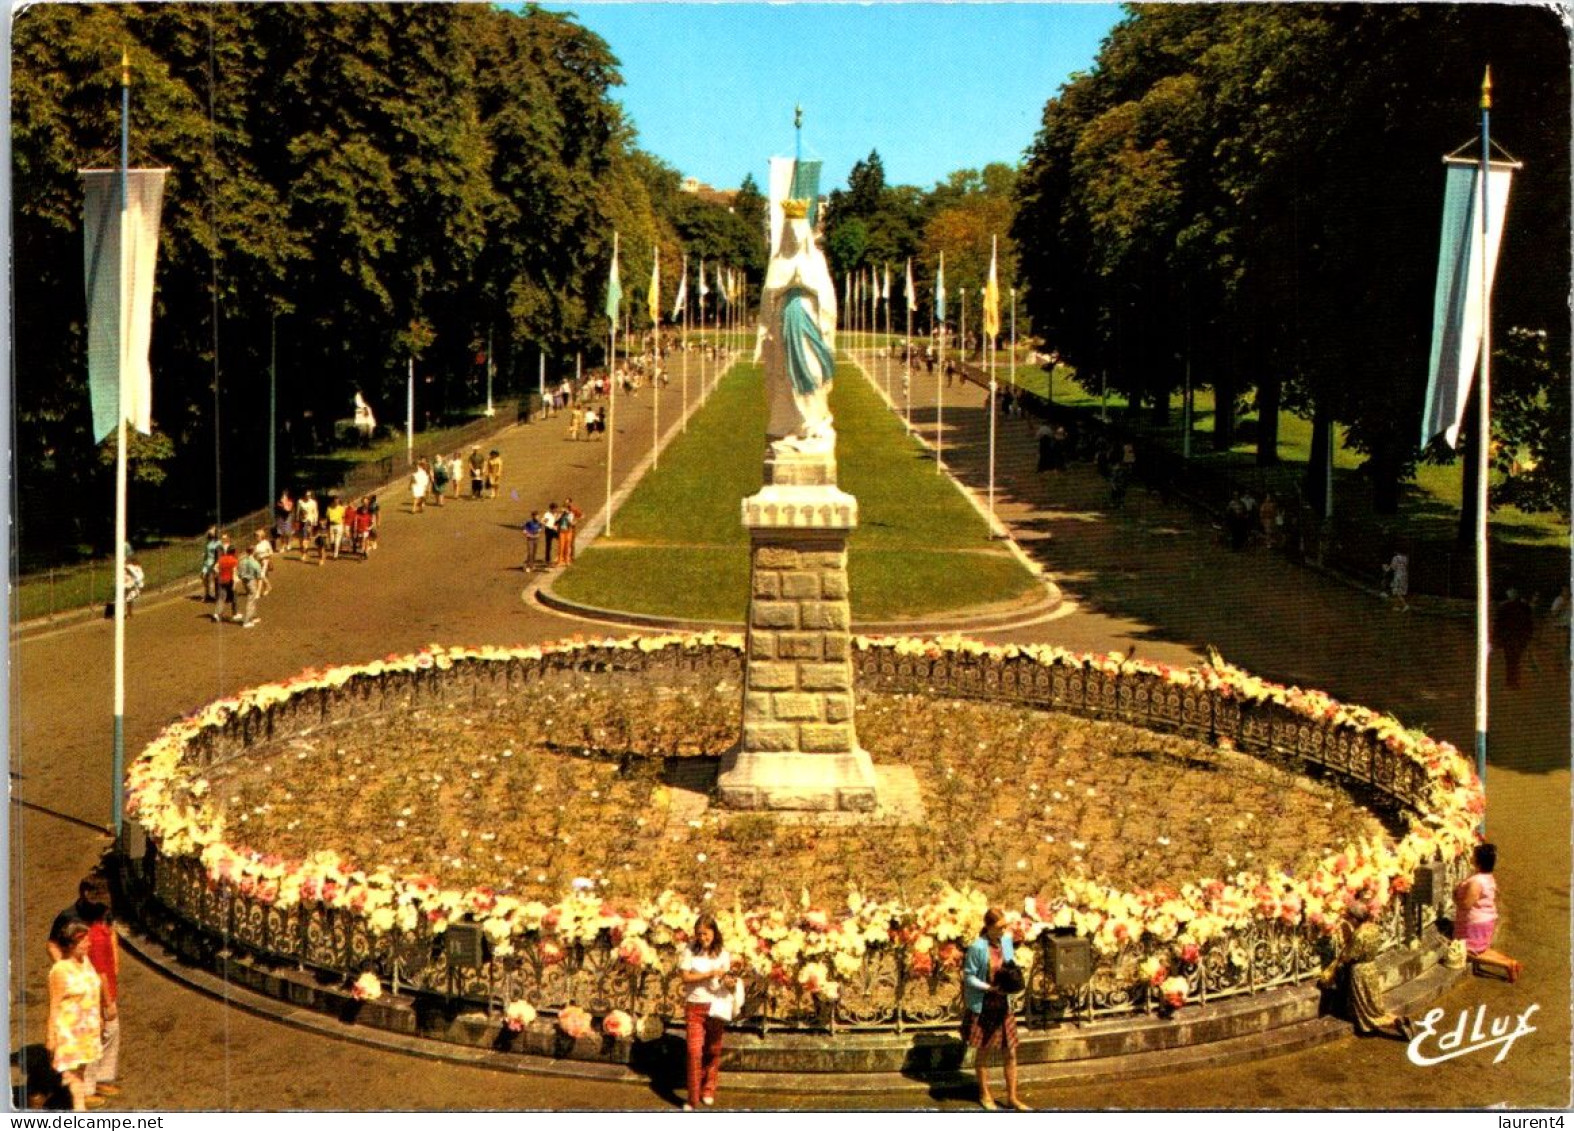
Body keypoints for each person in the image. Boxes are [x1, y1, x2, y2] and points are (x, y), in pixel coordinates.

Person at [754, 196, 838, 456]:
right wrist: (787, 284)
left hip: (810, 322)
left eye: (797, 232)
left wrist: (804, 283)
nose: (793, 237)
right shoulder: (778, 262)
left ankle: (813, 424)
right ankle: (792, 427)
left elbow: (827, 296)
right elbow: (768, 297)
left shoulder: (816, 261)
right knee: (787, 378)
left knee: (812, 374)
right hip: (785, 326)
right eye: (789, 232)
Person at [49, 876, 121, 1104]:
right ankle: (87, 1089)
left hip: (101, 979)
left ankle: (102, 1077)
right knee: (91, 1035)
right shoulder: (69, 917)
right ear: (84, 894)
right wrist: (68, 967)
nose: (101, 904)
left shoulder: (103, 911)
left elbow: (112, 934)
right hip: (85, 984)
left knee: (112, 1029)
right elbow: (52, 944)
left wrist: (116, 963)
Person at [961, 908, 1030, 1110]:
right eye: (999, 927)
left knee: (1010, 1052)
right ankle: (985, 1094)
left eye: (1004, 926)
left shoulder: (1006, 942)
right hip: (984, 1005)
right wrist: (988, 987)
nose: (1003, 931)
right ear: (989, 927)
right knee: (983, 1052)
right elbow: (969, 976)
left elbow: (1009, 964)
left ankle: (1012, 1097)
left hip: (1003, 1004)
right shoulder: (977, 947)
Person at [679, 913, 737, 1110]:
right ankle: (692, 1098)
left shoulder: (723, 954)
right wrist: (708, 974)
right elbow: (685, 977)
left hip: (715, 1006)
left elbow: (726, 981)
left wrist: (729, 982)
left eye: (706, 934)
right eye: (698, 934)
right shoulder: (689, 950)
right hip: (694, 1006)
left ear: (714, 932)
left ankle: (709, 1088)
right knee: (694, 1051)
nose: (702, 938)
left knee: (713, 1049)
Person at [46, 920, 102, 1111]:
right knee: (73, 1075)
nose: (89, 944)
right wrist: (50, 1037)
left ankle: (77, 1107)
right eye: (84, 941)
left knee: (80, 1071)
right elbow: (53, 1006)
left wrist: (99, 1016)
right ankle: (80, 1110)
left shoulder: (85, 961)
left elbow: (94, 988)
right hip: (69, 1032)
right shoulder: (60, 971)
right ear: (71, 945)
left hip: (87, 1029)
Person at [1453, 842, 1521, 980]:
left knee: (1468, 952)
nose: (1470, 857)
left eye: (1473, 856)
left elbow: (1466, 904)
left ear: (1478, 861)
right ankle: (1510, 962)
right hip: (1486, 920)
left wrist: (1455, 897)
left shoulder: (1476, 882)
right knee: (1481, 949)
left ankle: (1506, 964)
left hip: (1475, 923)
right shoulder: (1489, 878)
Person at [1494, 589, 1534, 689]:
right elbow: (1529, 623)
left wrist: (1497, 638)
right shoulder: (1525, 607)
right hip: (1519, 637)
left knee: (1510, 660)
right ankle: (1514, 681)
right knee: (1516, 659)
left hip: (1509, 637)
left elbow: (1498, 624)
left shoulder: (1504, 607)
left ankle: (1511, 681)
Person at [236, 546, 265, 627]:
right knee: (251, 600)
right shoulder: (255, 563)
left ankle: (253, 617)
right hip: (251, 581)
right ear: (253, 552)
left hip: (244, 581)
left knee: (251, 598)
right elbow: (259, 576)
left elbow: (239, 573)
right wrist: (259, 590)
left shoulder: (242, 561)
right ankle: (247, 620)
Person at [213, 538, 239, 623]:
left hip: (221, 580)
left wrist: (218, 574)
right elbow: (234, 573)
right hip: (230, 580)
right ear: (234, 552)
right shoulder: (234, 560)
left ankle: (217, 614)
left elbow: (215, 568)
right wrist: (235, 584)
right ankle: (235, 613)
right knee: (234, 597)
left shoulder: (221, 559)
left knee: (221, 598)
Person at [558, 498, 583, 566]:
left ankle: (571, 557)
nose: (566, 504)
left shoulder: (573, 510)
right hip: (563, 529)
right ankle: (562, 559)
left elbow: (581, 516)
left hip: (571, 529)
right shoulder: (563, 511)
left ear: (570, 503)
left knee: (571, 544)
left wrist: (575, 521)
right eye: (565, 502)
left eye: (567, 503)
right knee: (562, 544)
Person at [295, 491, 319, 557]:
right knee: (301, 539)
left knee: (305, 537)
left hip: (309, 520)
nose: (308, 496)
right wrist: (297, 519)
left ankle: (304, 553)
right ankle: (304, 551)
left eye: (309, 495)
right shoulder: (300, 502)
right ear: (304, 495)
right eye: (307, 495)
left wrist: (315, 520)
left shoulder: (313, 502)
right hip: (301, 520)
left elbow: (315, 512)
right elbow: (297, 511)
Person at [199, 528, 221, 602]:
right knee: (203, 577)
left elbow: (218, 552)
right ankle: (207, 594)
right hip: (206, 563)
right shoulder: (208, 543)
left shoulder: (217, 543)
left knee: (214, 578)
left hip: (213, 562)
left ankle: (216, 594)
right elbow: (206, 552)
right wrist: (204, 555)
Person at [252, 529, 274, 595]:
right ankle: (266, 588)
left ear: (261, 536)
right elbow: (254, 554)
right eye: (256, 536)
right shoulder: (257, 545)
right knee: (264, 576)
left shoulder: (266, 543)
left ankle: (269, 586)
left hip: (265, 560)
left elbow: (271, 552)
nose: (256, 538)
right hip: (259, 561)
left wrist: (269, 559)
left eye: (257, 536)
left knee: (262, 575)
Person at [541, 502, 561, 567]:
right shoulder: (547, 515)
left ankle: (560, 558)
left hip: (553, 530)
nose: (556, 510)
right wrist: (551, 526)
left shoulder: (555, 514)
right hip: (549, 530)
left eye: (556, 509)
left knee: (561, 541)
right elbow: (543, 522)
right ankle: (548, 561)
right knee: (548, 546)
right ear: (552, 509)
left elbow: (556, 521)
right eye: (555, 509)